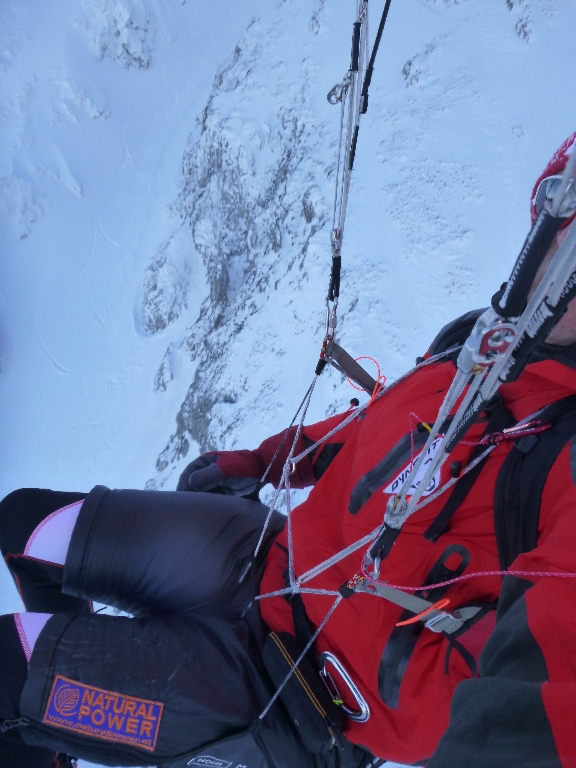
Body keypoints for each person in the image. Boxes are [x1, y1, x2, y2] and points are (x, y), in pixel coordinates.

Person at [2, 132, 576, 768]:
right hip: (267, 559)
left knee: (4, 672)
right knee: (22, 522)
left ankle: (47, 706)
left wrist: (401, 694)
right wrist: (270, 460)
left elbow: (541, 708)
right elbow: (389, 430)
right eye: (562, 217)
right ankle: (56, 734)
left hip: (302, 692)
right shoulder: (481, 338)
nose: (564, 264)